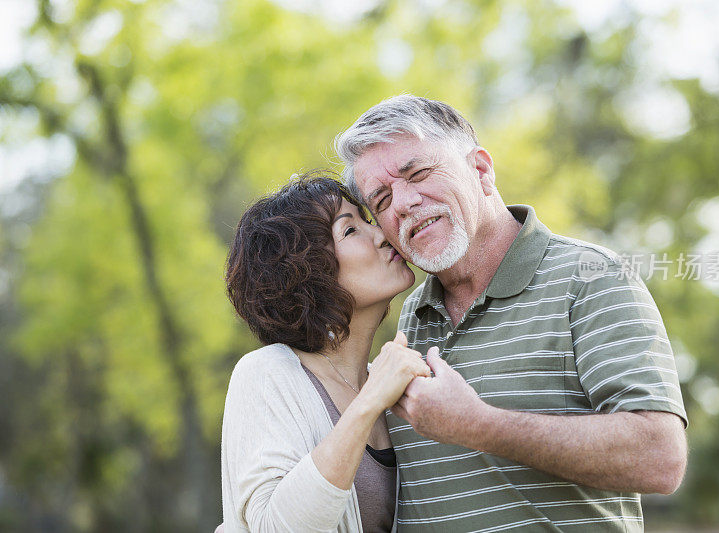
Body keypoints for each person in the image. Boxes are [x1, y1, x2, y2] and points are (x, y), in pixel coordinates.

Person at [335, 95, 689, 531]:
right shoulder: (409, 317)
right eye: (383, 199)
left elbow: (661, 457)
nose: (404, 202)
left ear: (481, 170)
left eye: (419, 173)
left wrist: (478, 425)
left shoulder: (590, 277)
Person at [220, 173, 432, 532]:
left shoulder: (391, 385)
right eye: (350, 230)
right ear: (306, 274)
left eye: (367, 220)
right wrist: (368, 404)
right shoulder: (266, 373)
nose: (382, 233)